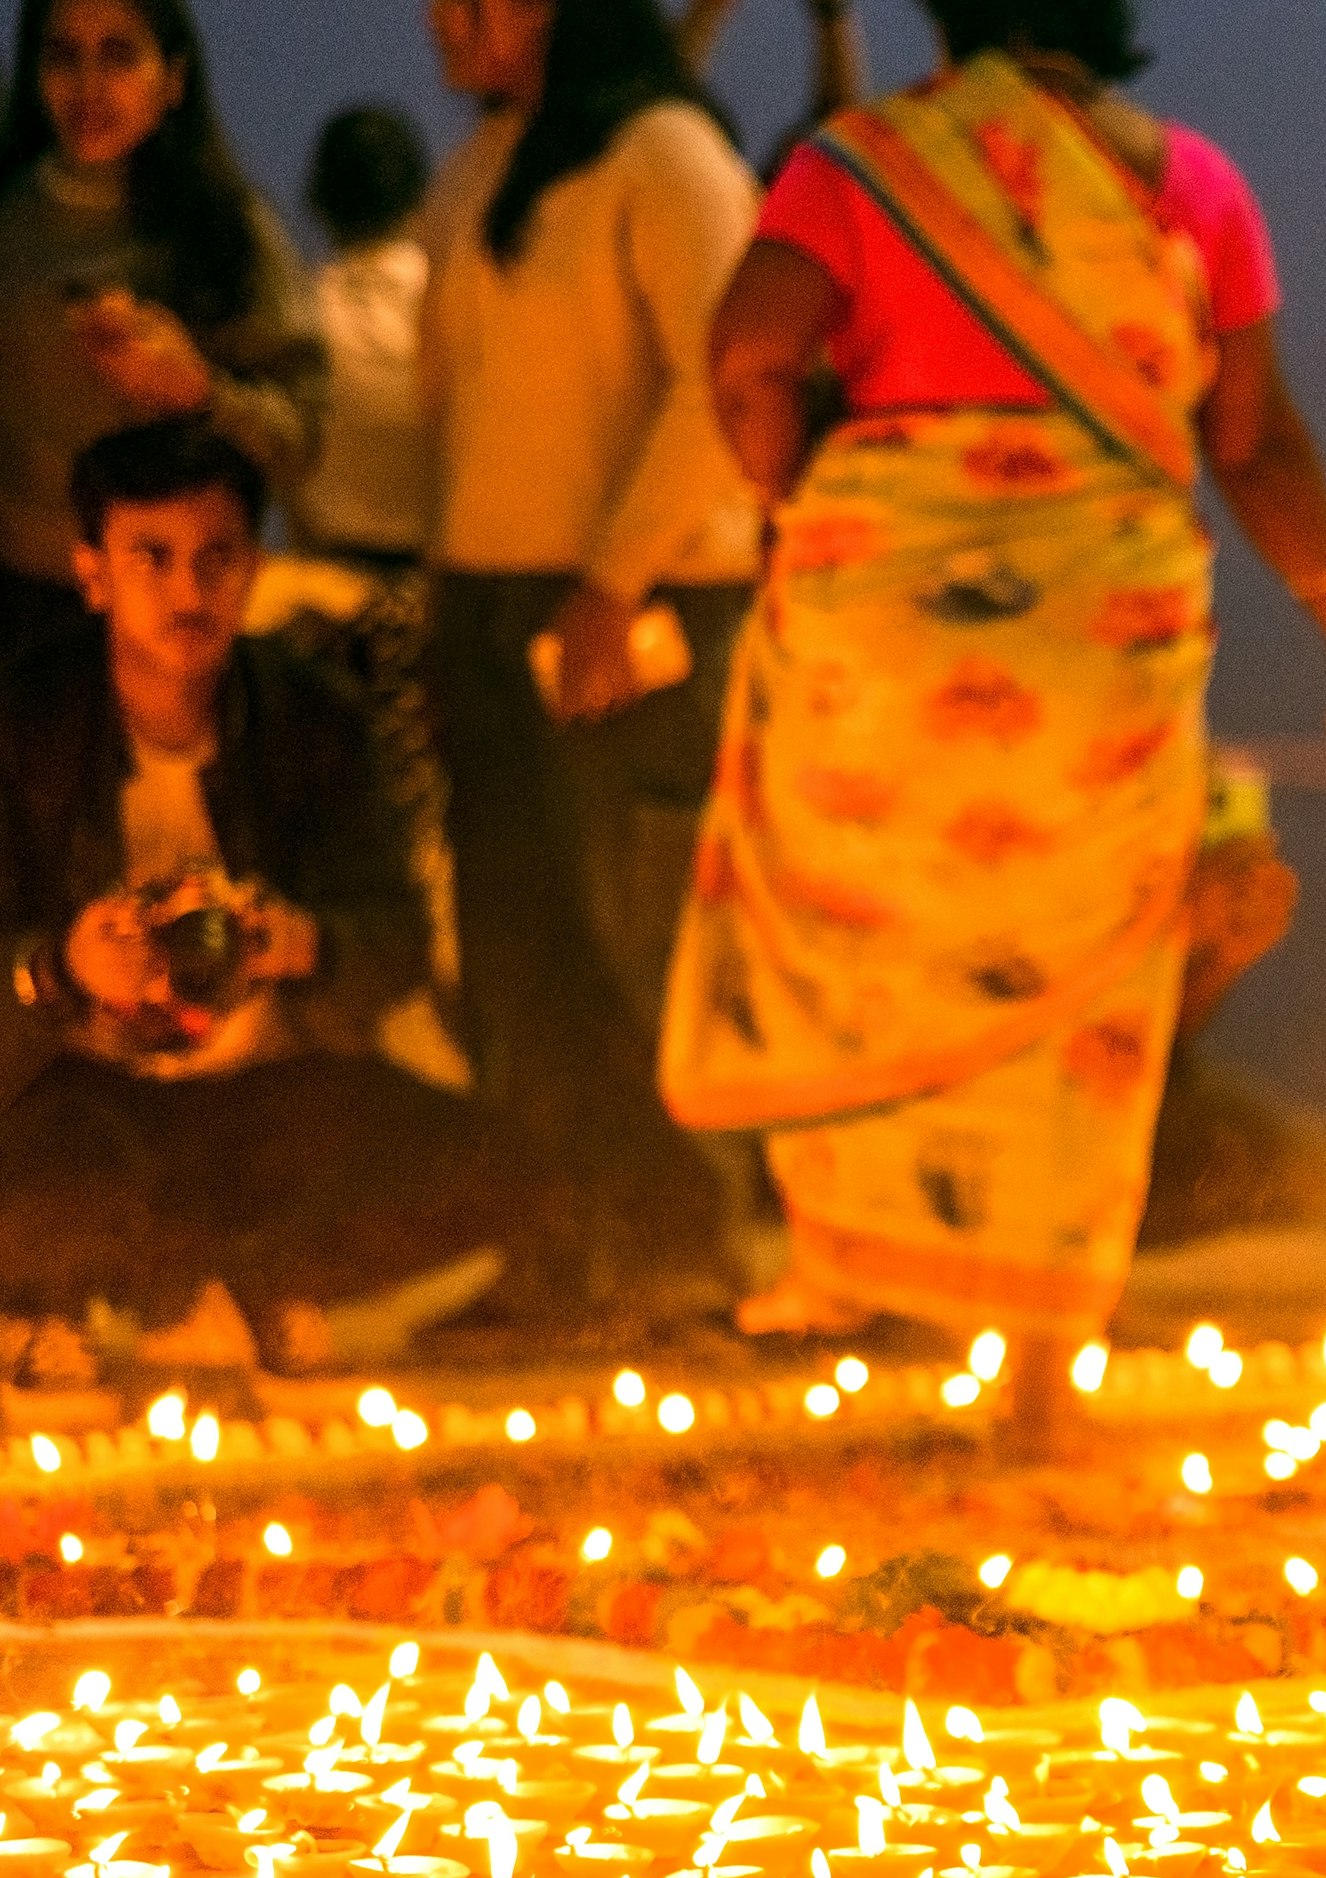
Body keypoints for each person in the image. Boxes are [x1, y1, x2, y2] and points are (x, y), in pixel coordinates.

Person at [685, 0, 1326, 1461]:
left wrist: (813, 501)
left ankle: (850, 1280)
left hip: (890, 634)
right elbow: (1253, 442)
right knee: (1089, 994)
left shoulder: (860, 163)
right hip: (1097, 653)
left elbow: (748, 352)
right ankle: (1034, 1377)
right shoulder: (1187, 187)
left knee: (872, 941)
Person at [0, 421, 526, 1385]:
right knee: (62, 1180)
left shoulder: (307, 713)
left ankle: (176, 1285)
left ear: (254, 565)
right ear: (93, 573)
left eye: (218, 558)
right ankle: (192, 1286)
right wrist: (61, 970)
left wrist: (306, 944)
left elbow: (396, 932)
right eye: (150, 559)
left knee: (488, 1164)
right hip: (72, 1094)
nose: (189, 593)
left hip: (250, 1095)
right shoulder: (23, 721)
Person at [417, 0, 761, 1321]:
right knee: (519, 951)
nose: (451, 22)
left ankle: (676, 1251)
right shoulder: (486, 171)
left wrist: (617, 580)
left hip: (639, 605)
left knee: (636, 941)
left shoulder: (667, 157)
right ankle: (550, 1249)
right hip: (489, 606)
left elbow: (718, 382)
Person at [0, 0, 321, 661]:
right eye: (64, 56)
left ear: (173, 78)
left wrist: (198, 390)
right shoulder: (12, 224)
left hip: (176, 611)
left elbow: (299, 444)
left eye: (119, 55)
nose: (89, 86)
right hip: (22, 607)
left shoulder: (225, 232)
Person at [295, 103, 432, 567]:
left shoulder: (302, 310)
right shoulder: (448, 303)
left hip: (330, 567)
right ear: (420, 196)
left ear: (319, 200)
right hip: (442, 569)